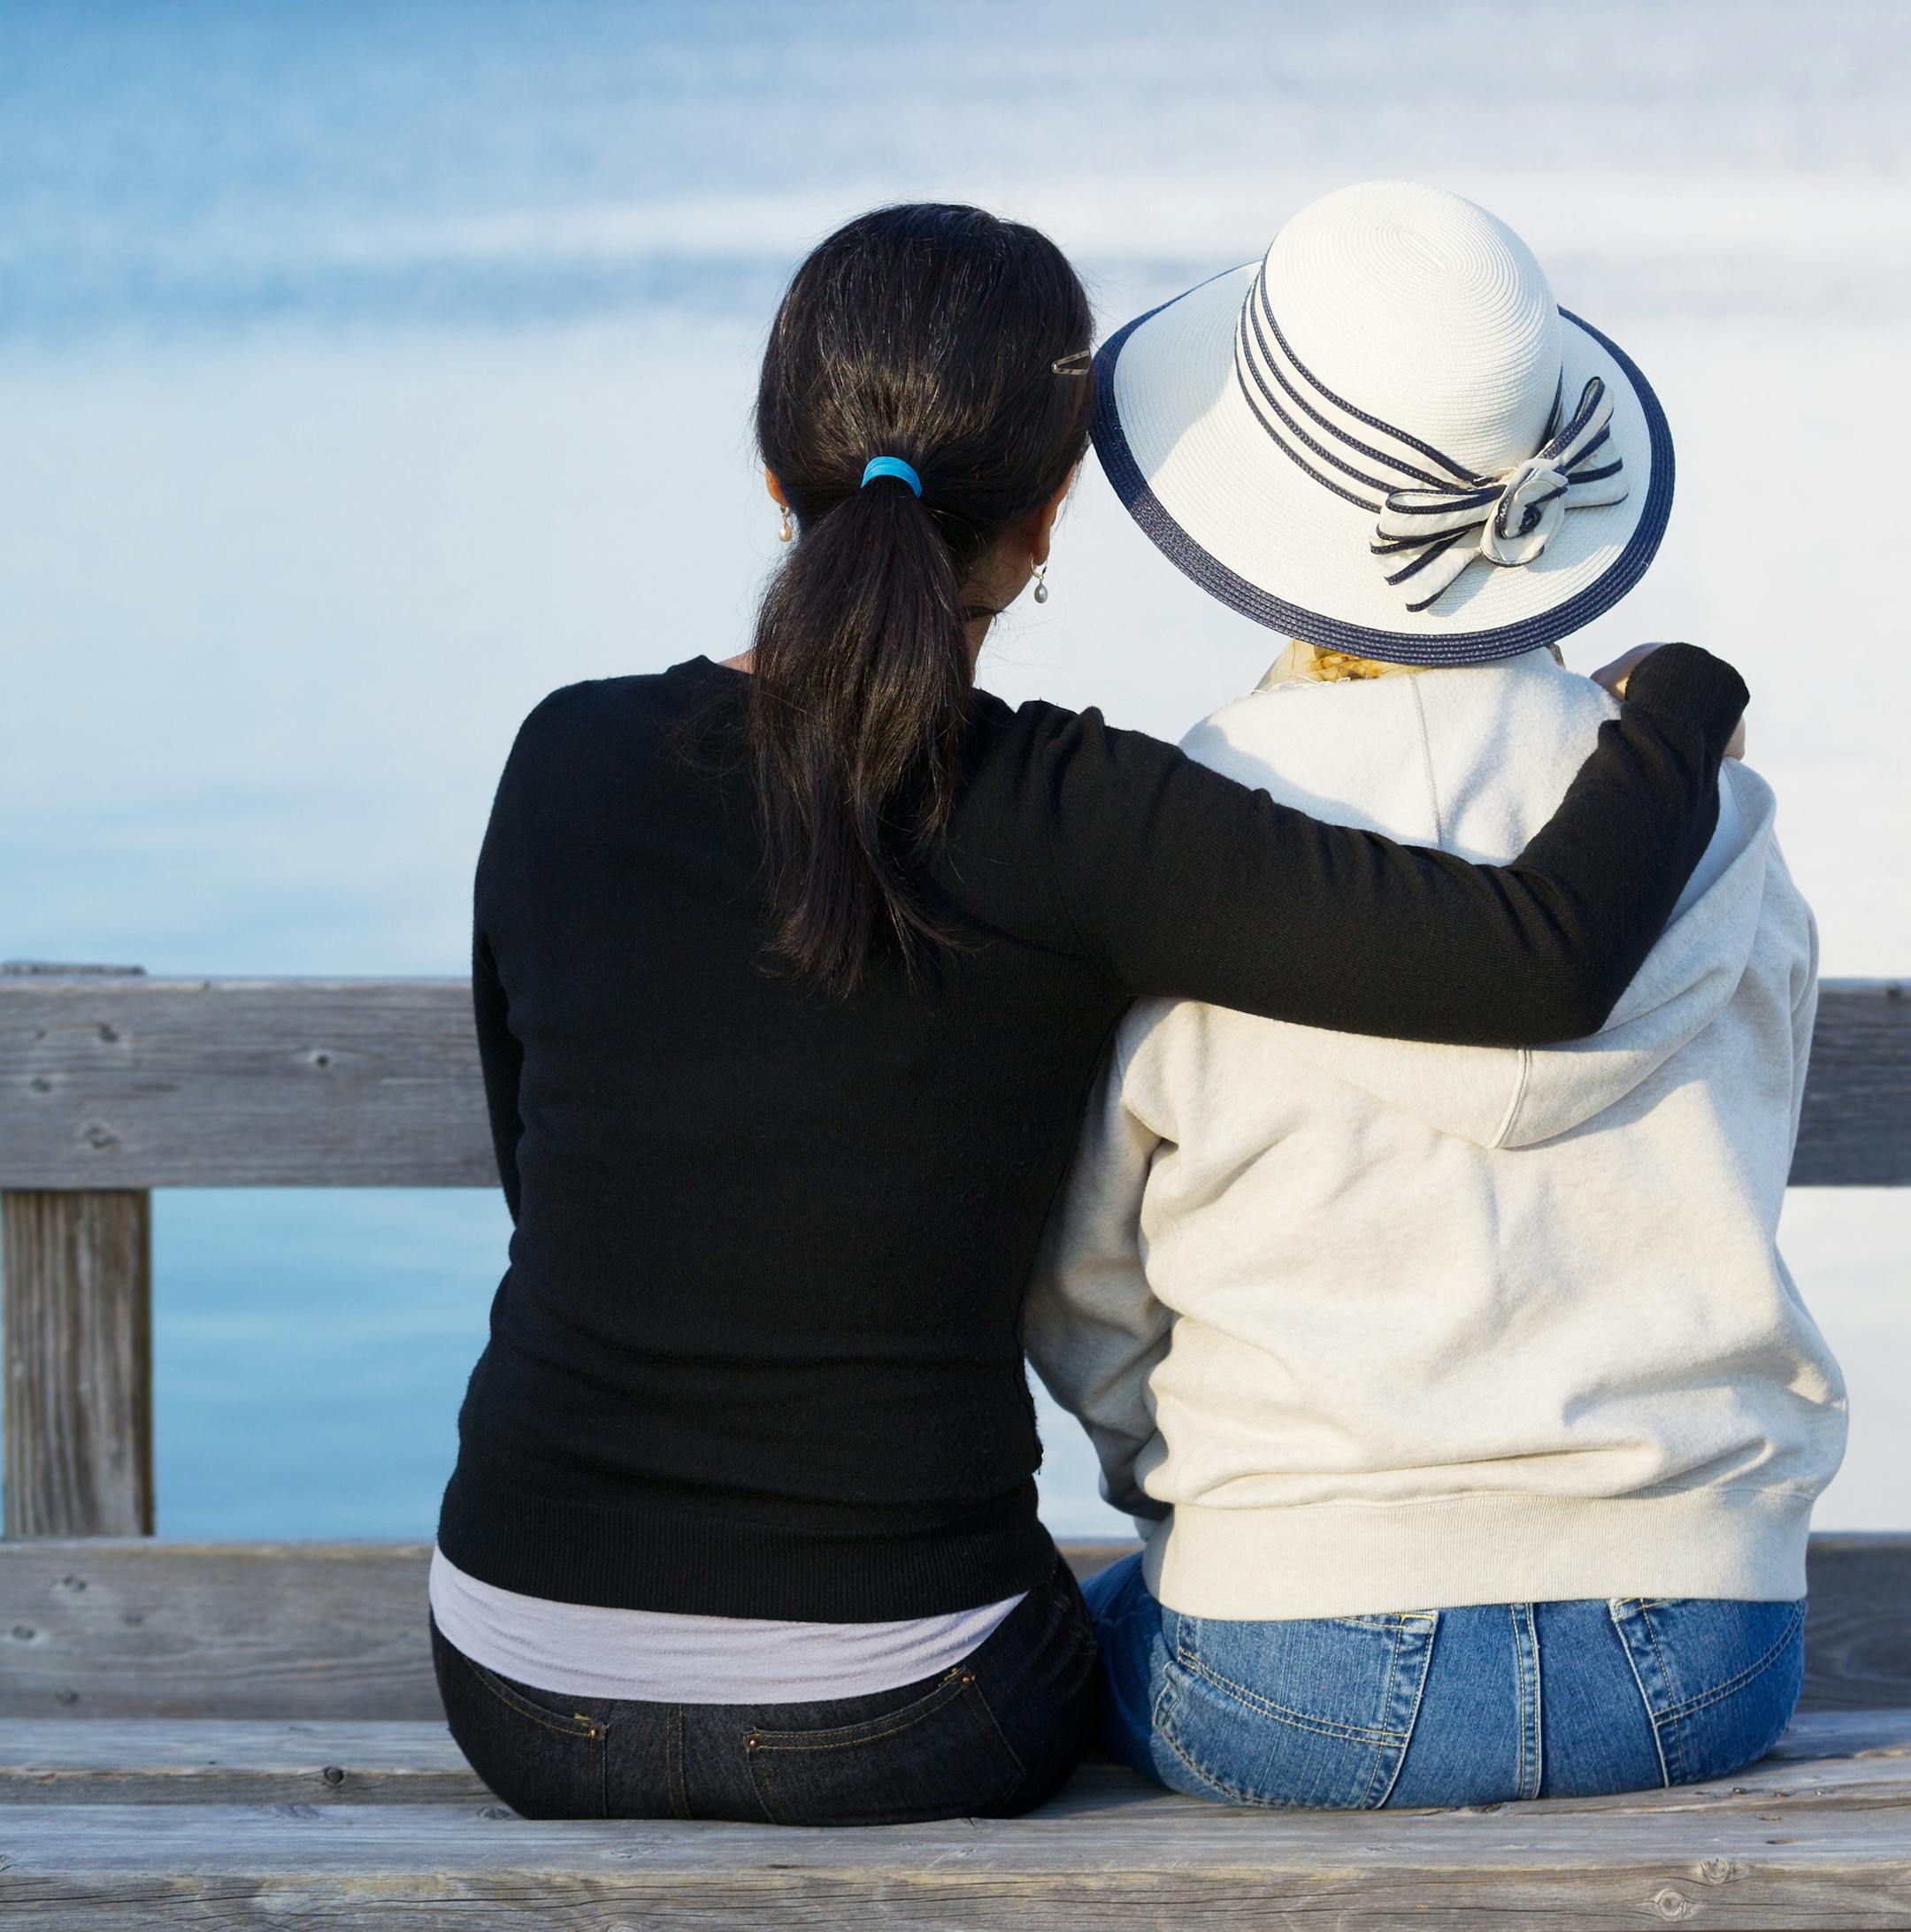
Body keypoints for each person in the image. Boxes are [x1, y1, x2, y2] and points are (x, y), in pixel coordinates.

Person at [426, 201, 1749, 1826]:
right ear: (1050, 520)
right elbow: (1538, 957)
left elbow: (532, 1162)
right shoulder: (1075, 813)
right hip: (905, 1710)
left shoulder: (560, 755)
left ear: (776, 479)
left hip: (514, 1682)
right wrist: (1681, 708)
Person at [1027, 180, 1844, 1810]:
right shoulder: (1722, 836)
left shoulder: (1187, 840)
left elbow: (1091, 1298)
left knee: (1063, 1646)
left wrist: (1229, 1510)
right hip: (1702, 1657)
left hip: (1300, 1663)